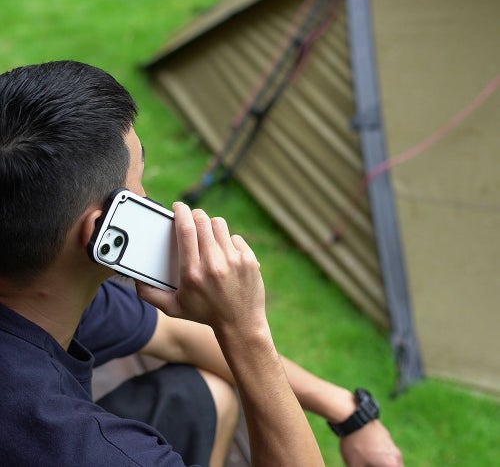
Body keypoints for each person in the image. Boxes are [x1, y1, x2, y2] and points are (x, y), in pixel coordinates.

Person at [0, 60, 402, 466]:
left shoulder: (36, 292)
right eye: (138, 179)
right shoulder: (88, 448)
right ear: (100, 230)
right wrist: (245, 329)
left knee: (205, 398)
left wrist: (345, 409)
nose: (149, 197)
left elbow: (176, 336)